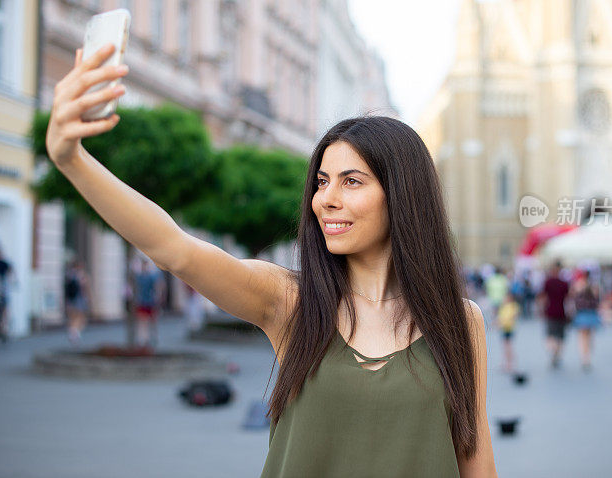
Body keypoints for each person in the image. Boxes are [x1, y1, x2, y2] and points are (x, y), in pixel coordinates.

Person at [45, 45, 497, 477]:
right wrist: (72, 161)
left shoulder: (460, 322)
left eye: (352, 181)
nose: (326, 200)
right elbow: (174, 248)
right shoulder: (290, 300)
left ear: (402, 195)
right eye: (321, 182)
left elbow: (475, 461)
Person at [537, 261, 570, 369]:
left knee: (550, 335)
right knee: (560, 336)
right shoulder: (564, 283)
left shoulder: (548, 282)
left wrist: (541, 309)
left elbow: (542, 297)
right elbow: (569, 299)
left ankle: (554, 350)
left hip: (550, 311)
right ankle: (557, 354)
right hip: (561, 312)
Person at [569, 269, 601, 372]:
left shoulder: (578, 285)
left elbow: (572, 297)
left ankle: (584, 358)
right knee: (589, 336)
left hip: (583, 314)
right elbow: (598, 299)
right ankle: (587, 358)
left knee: (582, 337)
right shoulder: (594, 286)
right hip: (590, 314)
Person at [134, 259, 165, 347]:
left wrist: (158, 298)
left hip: (150, 301)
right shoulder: (141, 276)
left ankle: (150, 338)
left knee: (151, 322)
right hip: (143, 301)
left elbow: (158, 287)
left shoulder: (150, 276)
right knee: (144, 322)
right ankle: (145, 339)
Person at [64, 260, 90, 345]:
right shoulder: (81, 276)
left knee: (73, 317)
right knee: (80, 317)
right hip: (79, 299)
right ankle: (74, 332)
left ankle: (73, 332)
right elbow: (85, 288)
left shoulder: (69, 275)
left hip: (71, 300)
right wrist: (88, 299)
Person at [497, 292, 520, 373]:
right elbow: (500, 318)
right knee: (505, 347)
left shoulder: (513, 306)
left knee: (508, 347)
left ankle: (510, 364)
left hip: (509, 329)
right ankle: (506, 363)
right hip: (504, 329)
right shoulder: (503, 307)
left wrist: (504, 321)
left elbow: (514, 316)